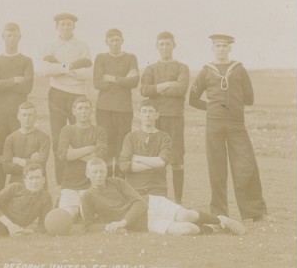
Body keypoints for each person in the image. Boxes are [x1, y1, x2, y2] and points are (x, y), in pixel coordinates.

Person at [189, 34, 269, 222]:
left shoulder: (239, 70)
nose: (221, 49)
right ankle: (219, 212)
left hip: (236, 123)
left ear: (230, 48)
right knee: (217, 169)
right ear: (212, 48)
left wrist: (233, 102)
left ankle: (255, 213)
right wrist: (210, 106)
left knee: (246, 165)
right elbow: (192, 99)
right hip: (214, 123)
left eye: (224, 45)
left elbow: (249, 99)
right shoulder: (206, 71)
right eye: (217, 45)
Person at [82, 158, 246, 236]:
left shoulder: (117, 182)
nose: (98, 175)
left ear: (106, 171)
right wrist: (109, 227)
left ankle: (222, 220)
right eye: (94, 172)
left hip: (152, 204)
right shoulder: (87, 196)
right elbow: (88, 226)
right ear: (87, 174)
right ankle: (216, 229)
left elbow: (139, 203)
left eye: (101, 171)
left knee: (186, 215)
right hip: (146, 223)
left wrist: (123, 222)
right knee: (189, 229)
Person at [42, 13, 92, 185]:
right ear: (57, 26)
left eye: (69, 24)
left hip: (78, 94)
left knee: (80, 136)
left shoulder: (82, 46)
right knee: (58, 139)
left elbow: (87, 73)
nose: (65, 27)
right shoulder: (51, 46)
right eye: (62, 24)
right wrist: (70, 67)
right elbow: (46, 70)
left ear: (74, 27)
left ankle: (80, 178)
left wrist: (63, 70)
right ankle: (61, 180)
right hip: (57, 93)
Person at [140, 31, 189, 204]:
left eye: (168, 44)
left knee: (176, 159)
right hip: (156, 119)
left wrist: (157, 89)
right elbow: (144, 90)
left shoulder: (182, 67)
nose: (165, 47)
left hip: (175, 117)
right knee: (155, 158)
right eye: (161, 44)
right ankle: (156, 199)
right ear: (157, 46)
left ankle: (178, 201)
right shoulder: (151, 68)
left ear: (174, 45)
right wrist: (168, 84)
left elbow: (181, 90)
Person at [0, 22, 34, 191]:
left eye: (15, 35)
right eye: (8, 35)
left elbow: (27, 87)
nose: (12, 38)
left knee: (20, 154)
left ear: (20, 37)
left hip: (19, 115)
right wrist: (15, 80)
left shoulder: (26, 61)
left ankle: (19, 191)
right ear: (3, 37)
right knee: (0, 156)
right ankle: (0, 192)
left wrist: (3, 83)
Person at [93, 28, 139, 177]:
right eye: (111, 40)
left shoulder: (131, 58)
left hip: (124, 109)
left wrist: (112, 78)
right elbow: (98, 82)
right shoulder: (101, 58)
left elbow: (134, 81)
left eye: (117, 40)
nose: (114, 43)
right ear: (106, 42)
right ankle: (105, 180)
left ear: (122, 41)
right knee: (106, 144)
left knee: (121, 145)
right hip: (104, 108)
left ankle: (119, 180)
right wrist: (123, 80)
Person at [56, 97, 107, 221]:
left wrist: (73, 152)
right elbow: (63, 155)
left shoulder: (99, 131)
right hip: (70, 184)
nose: (83, 111)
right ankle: (66, 203)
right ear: (74, 111)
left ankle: (81, 210)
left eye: (86, 108)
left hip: (91, 184)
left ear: (91, 111)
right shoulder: (67, 130)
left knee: (88, 217)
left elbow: (100, 157)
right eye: (80, 108)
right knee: (69, 215)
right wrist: (90, 148)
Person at [119, 100, 172, 197]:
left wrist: (138, 159)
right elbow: (124, 165)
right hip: (134, 188)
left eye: (151, 111)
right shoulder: (130, 137)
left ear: (157, 115)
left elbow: (162, 162)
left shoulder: (164, 137)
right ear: (139, 115)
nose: (147, 115)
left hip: (157, 188)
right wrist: (154, 164)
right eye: (144, 111)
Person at [2, 101, 51, 185]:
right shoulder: (10, 138)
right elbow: (6, 167)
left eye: (30, 115)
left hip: (37, 183)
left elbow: (41, 163)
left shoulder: (44, 137)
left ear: (35, 117)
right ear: (18, 116)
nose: (27, 118)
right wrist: (32, 161)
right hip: (16, 183)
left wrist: (18, 160)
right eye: (24, 115)